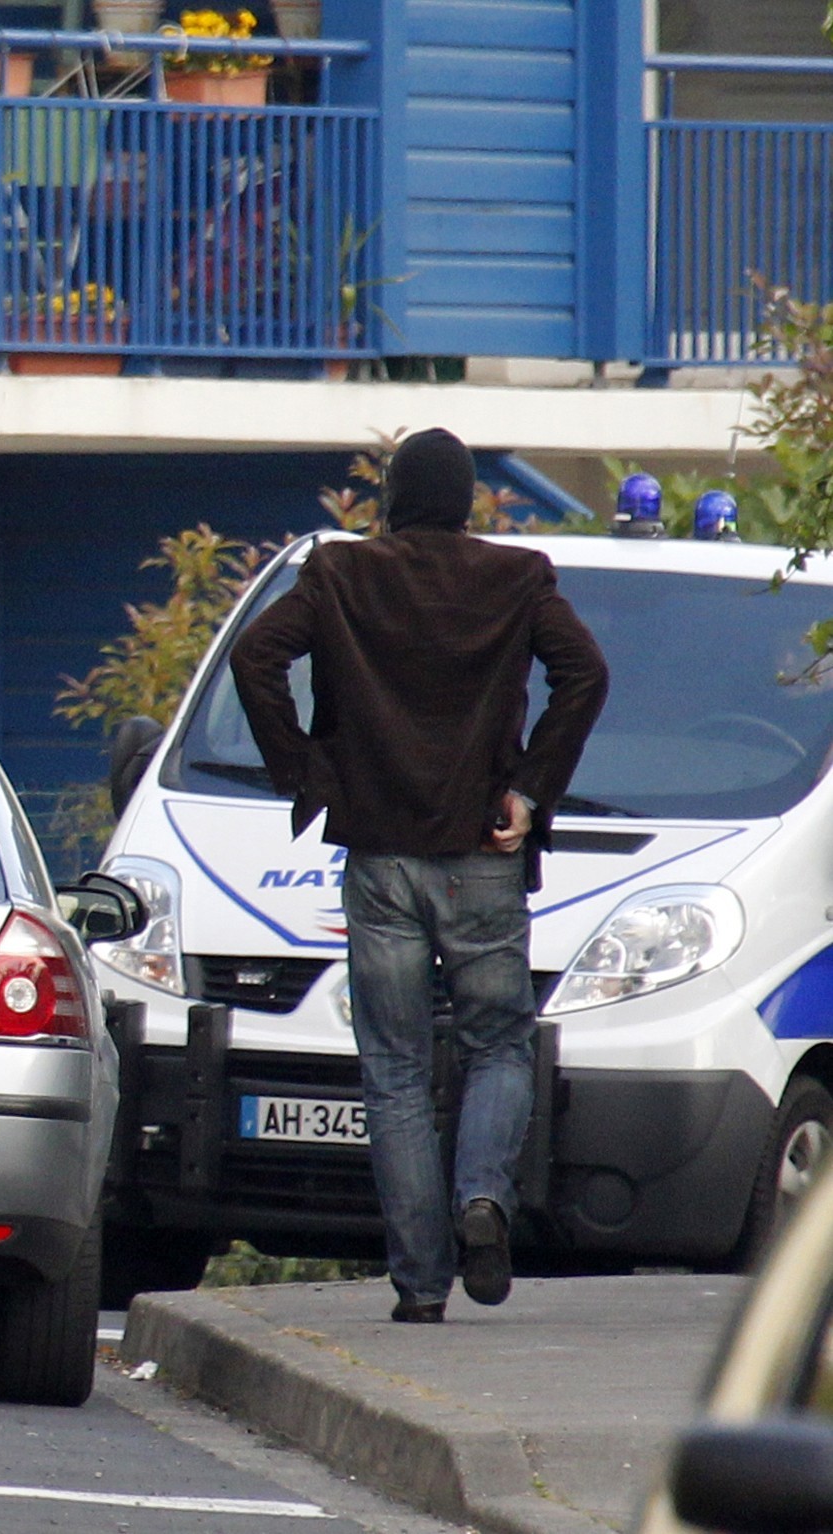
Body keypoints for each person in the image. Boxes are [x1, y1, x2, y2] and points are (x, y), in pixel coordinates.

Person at [229, 429, 608, 1322]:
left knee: (395, 1071)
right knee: (498, 1046)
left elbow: (256, 657)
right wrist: (529, 789)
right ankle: (482, 1195)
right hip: (484, 852)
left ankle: (421, 1286)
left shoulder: (339, 573)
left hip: (381, 859)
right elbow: (584, 673)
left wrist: (307, 772)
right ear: (469, 500)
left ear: (391, 498)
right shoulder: (517, 578)